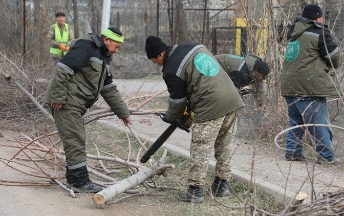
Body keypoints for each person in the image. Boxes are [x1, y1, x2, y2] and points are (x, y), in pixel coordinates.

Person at [145, 36, 244, 203]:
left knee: (201, 147)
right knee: (224, 146)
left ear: (161, 54)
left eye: (156, 61)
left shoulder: (171, 69)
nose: (158, 64)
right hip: (232, 99)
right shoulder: (194, 46)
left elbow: (177, 101)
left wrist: (169, 117)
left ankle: (195, 190)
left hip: (210, 104)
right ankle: (221, 185)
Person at [44, 27, 131, 192]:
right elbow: (63, 69)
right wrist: (58, 97)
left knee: (75, 138)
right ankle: (79, 182)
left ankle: (74, 177)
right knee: (75, 138)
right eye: (116, 46)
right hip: (65, 101)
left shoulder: (104, 58)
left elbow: (109, 89)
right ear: (107, 40)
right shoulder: (86, 47)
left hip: (75, 103)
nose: (117, 51)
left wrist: (123, 113)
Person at [280, 4, 341, 164]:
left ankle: (293, 152)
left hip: (289, 85)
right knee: (317, 123)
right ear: (318, 18)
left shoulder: (293, 34)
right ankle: (326, 157)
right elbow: (334, 58)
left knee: (296, 122)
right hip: (308, 86)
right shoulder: (319, 32)